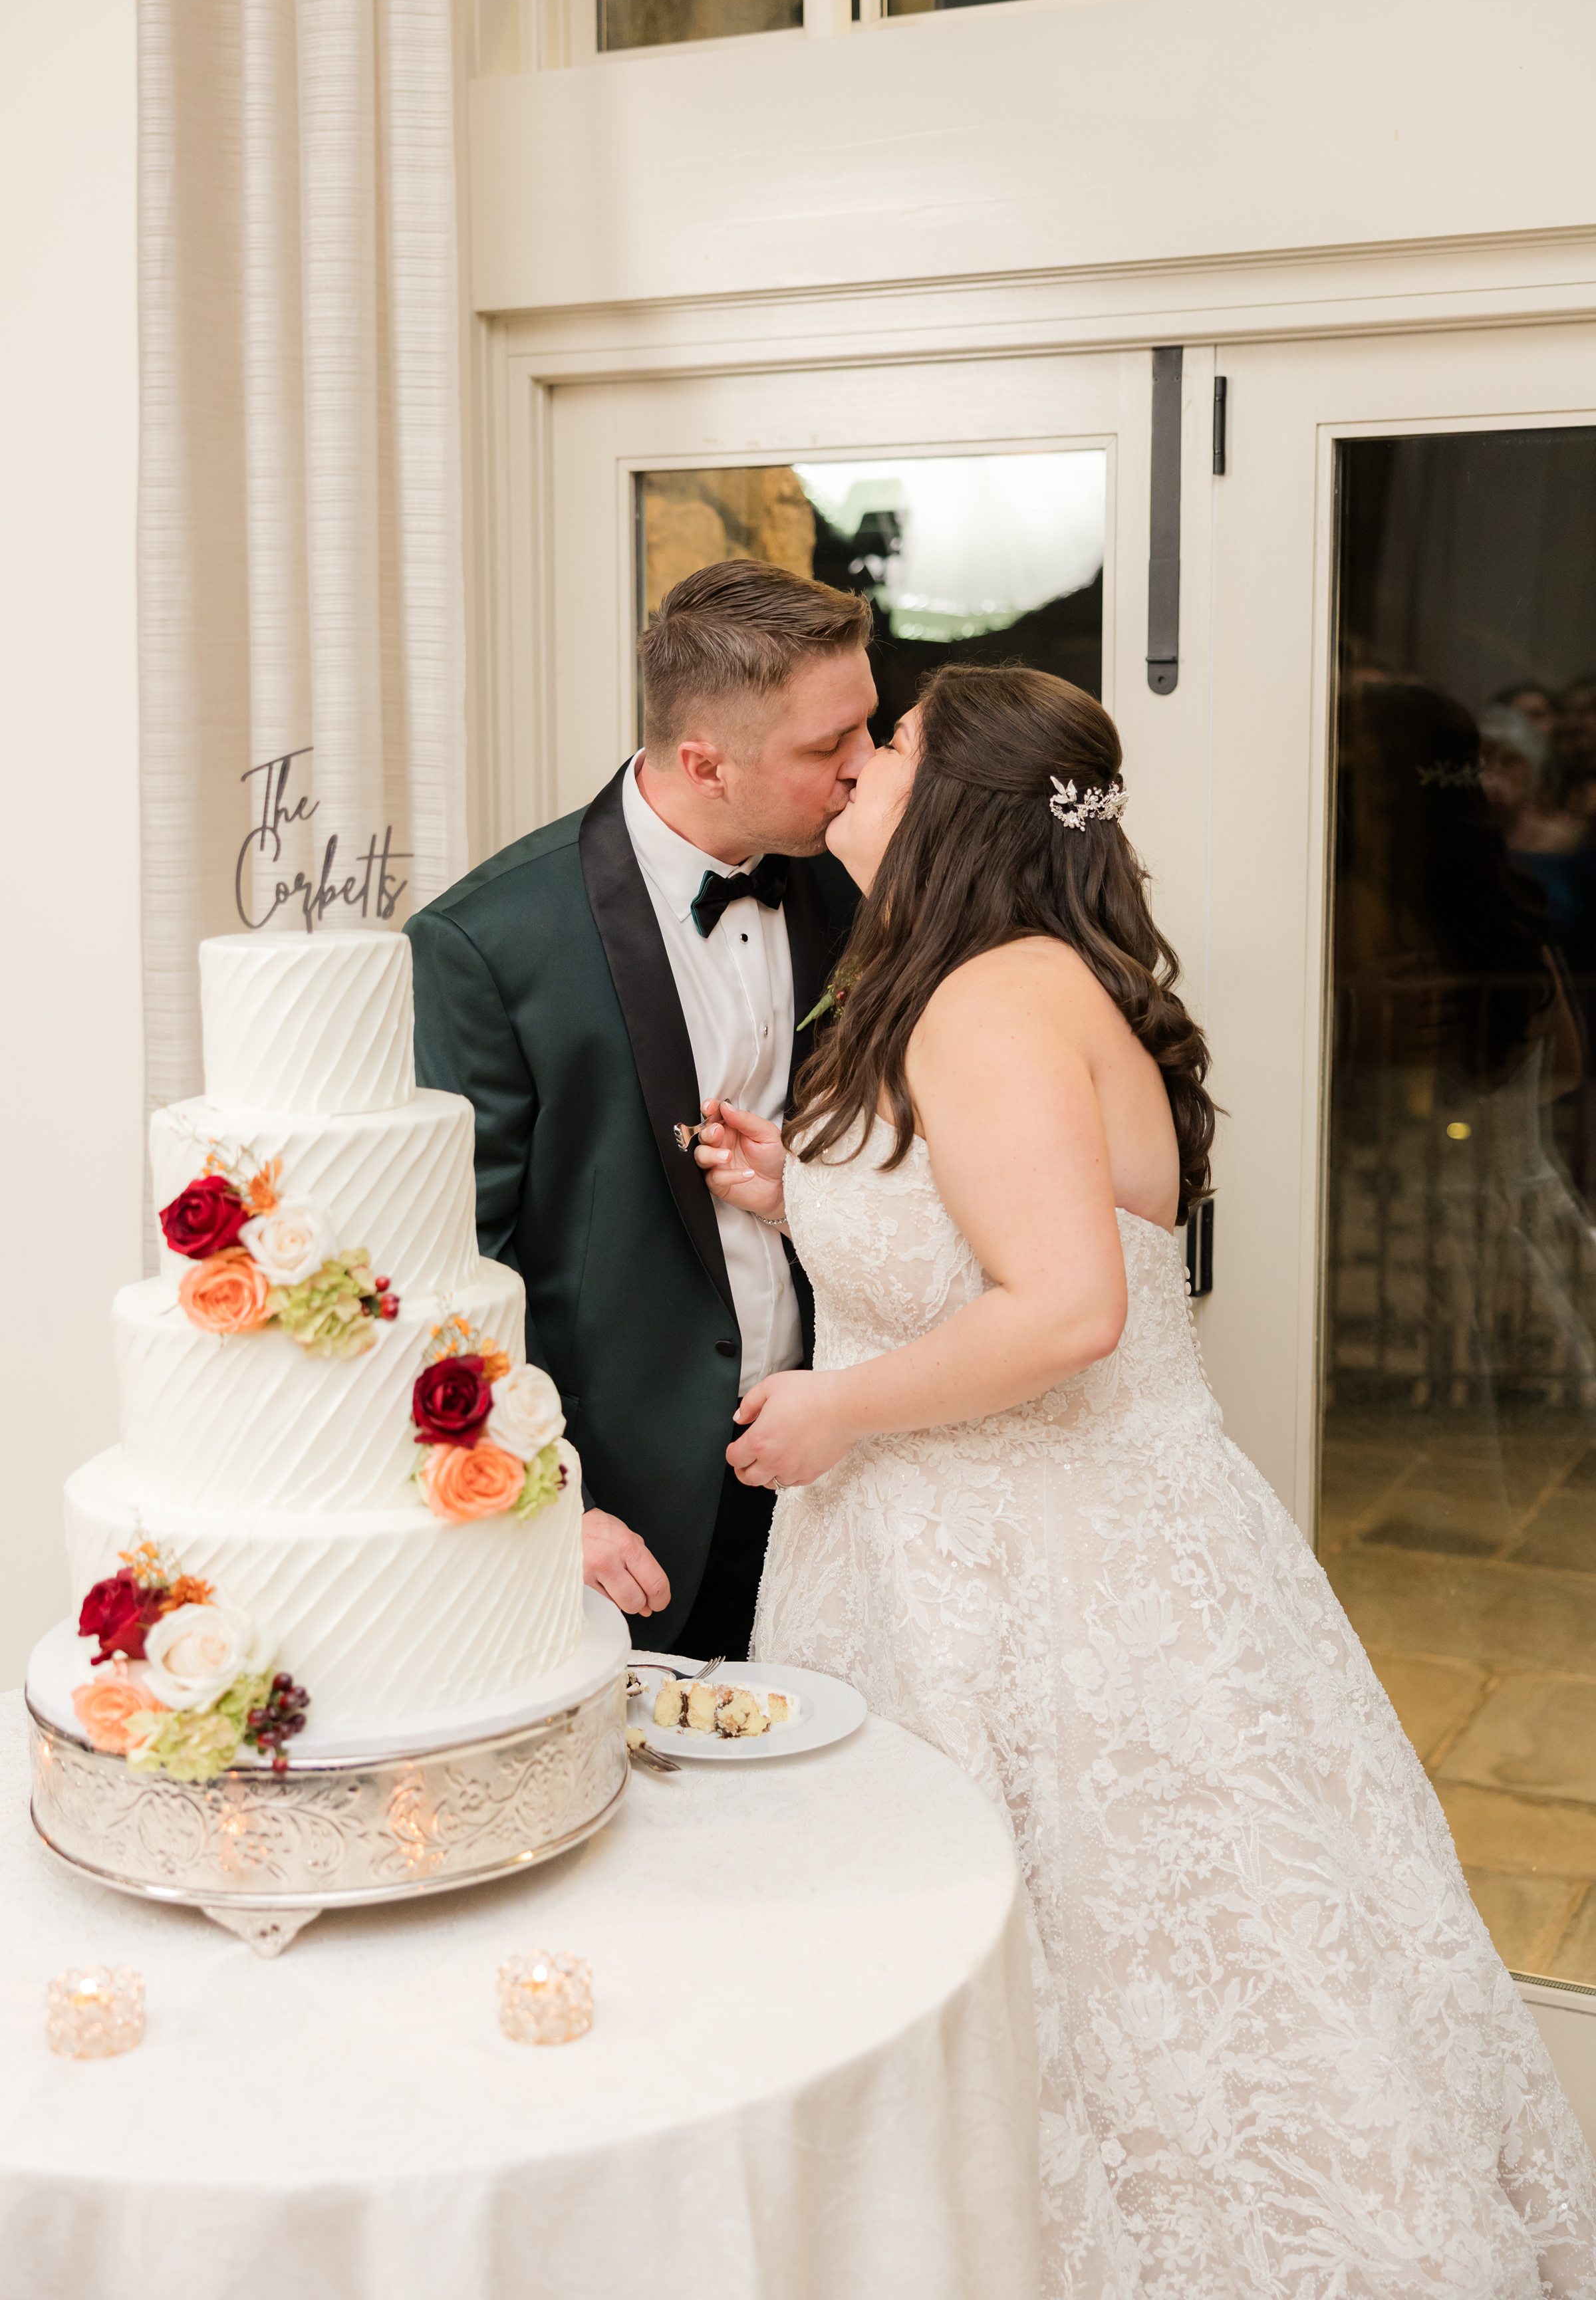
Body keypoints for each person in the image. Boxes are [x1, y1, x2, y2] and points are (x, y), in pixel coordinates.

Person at [694, 663, 1596, 2297]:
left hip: (1040, 1582)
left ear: (957, 800)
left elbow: (1066, 1309)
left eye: (890, 746)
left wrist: (834, 1412)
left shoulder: (987, 1001)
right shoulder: (1011, 981)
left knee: (1103, 1989)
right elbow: (984, 1226)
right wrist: (798, 1194)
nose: (860, 771)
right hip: (1056, 1547)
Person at [408, 559, 869, 1658]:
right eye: (826, 748)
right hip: (625, 1513)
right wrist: (542, 1499)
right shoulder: (486, 944)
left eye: (868, 727)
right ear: (706, 762)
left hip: (842, 1469)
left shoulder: (858, 881)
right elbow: (447, 1265)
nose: (864, 770)